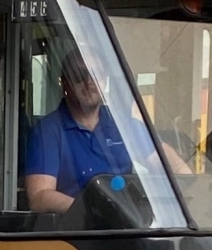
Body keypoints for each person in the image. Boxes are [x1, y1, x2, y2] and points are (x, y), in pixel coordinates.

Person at [22, 51, 139, 214]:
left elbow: (178, 169)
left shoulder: (123, 124)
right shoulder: (47, 131)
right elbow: (39, 197)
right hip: (76, 232)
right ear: (64, 83)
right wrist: (96, 211)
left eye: (96, 74)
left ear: (105, 81)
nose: (89, 82)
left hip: (127, 226)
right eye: (79, 75)